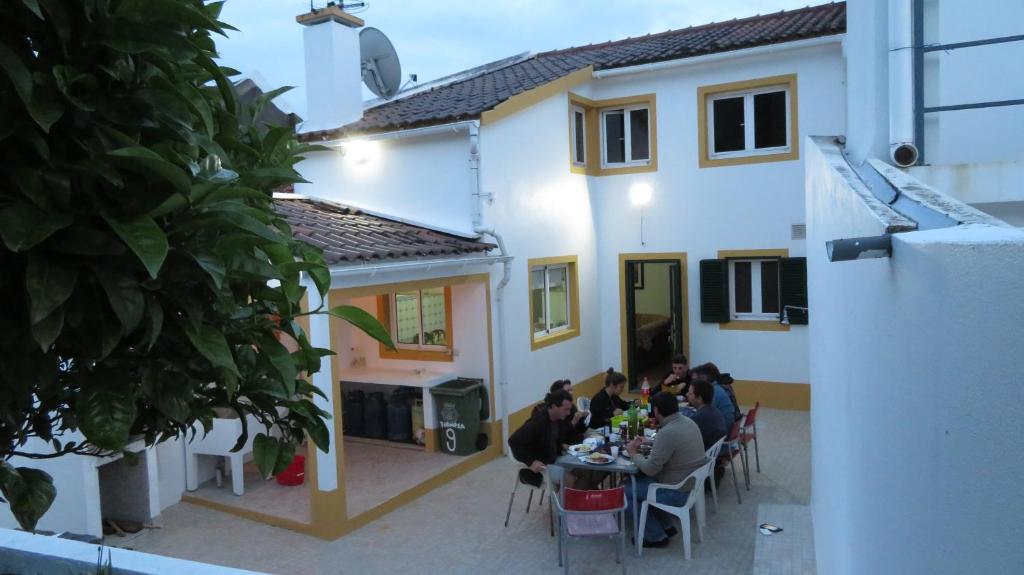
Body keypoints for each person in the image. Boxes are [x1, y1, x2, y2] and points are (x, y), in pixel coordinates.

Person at [624, 392, 706, 548]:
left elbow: (650, 469)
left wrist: (633, 453)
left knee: (627, 489)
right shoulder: (687, 422)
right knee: (640, 482)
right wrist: (652, 441)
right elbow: (673, 445)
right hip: (691, 485)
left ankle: (655, 536)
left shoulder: (667, 432)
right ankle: (666, 525)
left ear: (655, 410)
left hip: (677, 492)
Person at [508, 390, 574, 487]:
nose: (568, 413)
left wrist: (561, 445)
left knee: (583, 471)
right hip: (540, 468)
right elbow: (513, 441)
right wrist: (530, 462)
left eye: (569, 409)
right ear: (554, 406)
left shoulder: (558, 419)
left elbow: (551, 439)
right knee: (570, 480)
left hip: (553, 459)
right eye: (565, 409)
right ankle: (564, 501)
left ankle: (577, 500)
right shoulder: (538, 423)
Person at [531, 379, 588, 446]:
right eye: (567, 391)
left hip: (576, 441)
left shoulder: (570, 405)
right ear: (558, 393)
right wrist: (573, 422)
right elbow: (558, 436)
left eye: (571, 390)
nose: (571, 393)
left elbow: (580, 430)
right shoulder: (550, 411)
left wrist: (583, 418)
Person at [685, 379, 727, 450]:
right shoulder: (715, 411)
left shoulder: (698, 418)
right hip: (714, 452)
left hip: (701, 455)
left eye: (690, 393)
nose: (686, 394)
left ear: (699, 399)